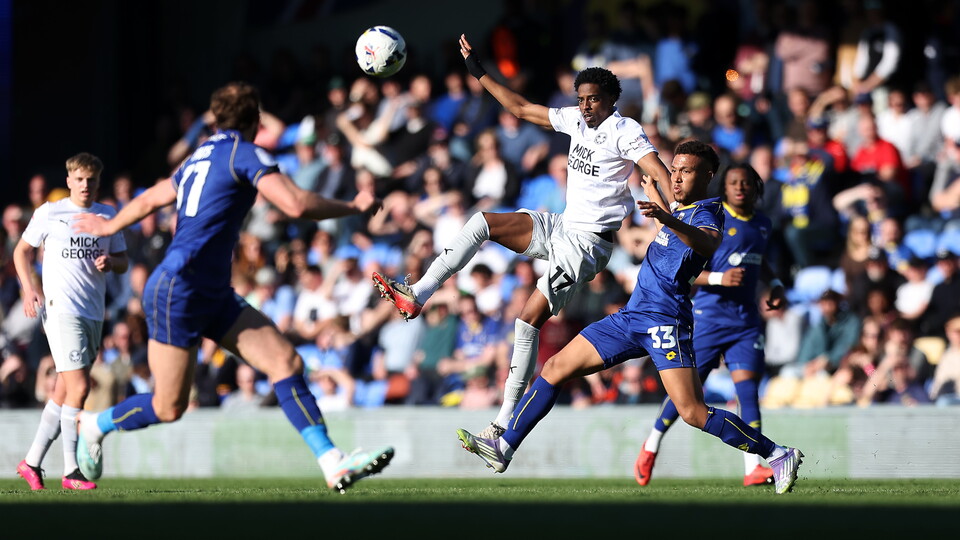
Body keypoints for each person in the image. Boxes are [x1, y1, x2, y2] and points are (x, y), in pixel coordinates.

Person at [71, 82, 393, 494]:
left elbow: (153, 196)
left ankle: (333, 463)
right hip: (179, 288)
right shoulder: (246, 152)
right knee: (168, 407)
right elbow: (295, 205)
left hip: (210, 291)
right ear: (256, 122)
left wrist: (110, 224)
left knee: (286, 363)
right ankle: (93, 424)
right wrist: (354, 206)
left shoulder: (199, 155)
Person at [456, 140, 803, 494]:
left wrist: (665, 215)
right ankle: (505, 446)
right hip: (632, 315)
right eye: (675, 169)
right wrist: (660, 205)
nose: (678, 177)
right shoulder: (680, 212)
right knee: (555, 367)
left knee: (693, 412)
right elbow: (672, 245)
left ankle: (777, 453)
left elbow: (708, 245)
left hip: (666, 322)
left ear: (708, 176)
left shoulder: (709, 212)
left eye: (687, 171)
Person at [373, 34, 675, 440]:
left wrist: (676, 213)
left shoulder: (624, 130)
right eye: (582, 98)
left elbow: (657, 169)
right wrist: (478, 71)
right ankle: (420, 292)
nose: (585, 105)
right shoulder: (574, 120)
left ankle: (501, 424)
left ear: (610, 98)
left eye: (593, 98)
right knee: (482, 220)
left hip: (588, 246)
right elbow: (518, 106)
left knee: (525, 321)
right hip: (563, 227)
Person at [634, 162, 788, 488]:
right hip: (708, 318)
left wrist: (774, 284)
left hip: (745, 322)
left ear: (756, 187)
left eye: (747, 183)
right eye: (734, 182)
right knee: (688, 398)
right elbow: (686, 269)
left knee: (748, 392)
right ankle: (651, 444)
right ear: (724, 187)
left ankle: (752, 468)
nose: (740, 187)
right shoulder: (714, 219)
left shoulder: (762, 224)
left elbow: (759, 262)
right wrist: (719, 277)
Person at [13, 152, 129, 490]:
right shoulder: (51, 212)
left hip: (94, 311)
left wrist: (112, 262)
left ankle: (31, 462)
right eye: (79, 179)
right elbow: (22, 251)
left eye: (91, 179)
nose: (85, 185)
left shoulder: (108, 215)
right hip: (61, 309)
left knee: (65, 391)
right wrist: (27, 289)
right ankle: (71, 470)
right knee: (80, 388)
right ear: (68, 181)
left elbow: (123, 260)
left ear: (97, 182)